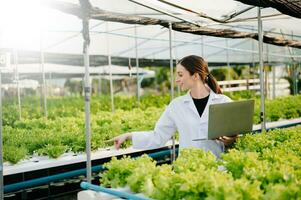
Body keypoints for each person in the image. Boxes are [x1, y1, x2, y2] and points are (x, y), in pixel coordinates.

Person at [112, 55, 237, 157]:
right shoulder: (177, 106)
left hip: (217, 169)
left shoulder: (223, 102)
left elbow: (234, 136)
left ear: (196, 76)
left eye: (180, 74)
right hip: (187, 171)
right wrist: (129, 136)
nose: (176, 79)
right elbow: (158, 136)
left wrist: (229, 139)